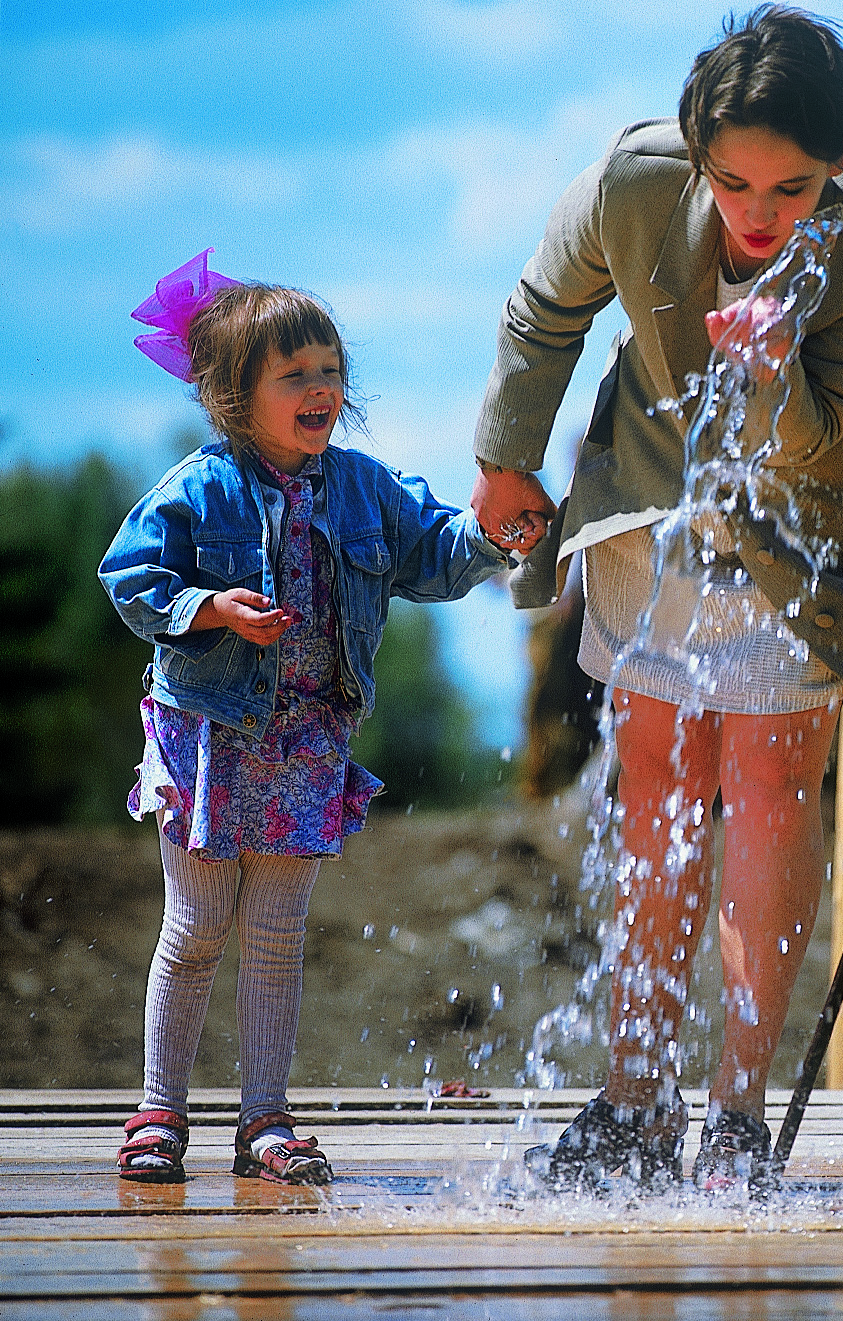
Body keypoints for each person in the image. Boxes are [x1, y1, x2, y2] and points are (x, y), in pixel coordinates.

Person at [471, 6, 843, 1193]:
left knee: (768, 779)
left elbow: (823, 441)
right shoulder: (629, 183)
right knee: (657, 775)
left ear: (838, 162)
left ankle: (734, 1113)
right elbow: (543, 311)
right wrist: (504, 454)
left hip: (812, 521)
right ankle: (634, 1094)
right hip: (656, 489)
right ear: (694, 156)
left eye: (791, 188)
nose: (757, 213)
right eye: (732, 181)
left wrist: (772, 360)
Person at [100, 252, 509, 1185]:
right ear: (235, 397)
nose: (321, 385)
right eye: (295, 373)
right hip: (208, 734)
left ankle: (264, 1121)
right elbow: (129, 578)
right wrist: (212, 609)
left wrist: (492, 534)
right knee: (198, 926)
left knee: (278, 936)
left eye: (330, 369)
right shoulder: (197, 489)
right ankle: (161, 1110)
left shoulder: (365, 488)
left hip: (308, 738)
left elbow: (435, 558)